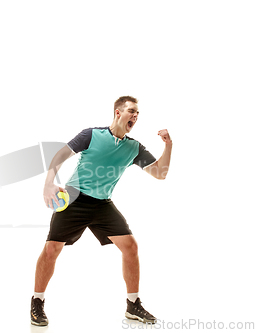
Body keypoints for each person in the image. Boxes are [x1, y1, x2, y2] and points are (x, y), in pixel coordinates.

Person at [30, 96, 173, 326]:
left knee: (130, 246)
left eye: (138, 114)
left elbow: (160, 173)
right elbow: (60, 155)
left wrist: (168, 145)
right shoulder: (91, 135)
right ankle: (37, 301)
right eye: (131, 111)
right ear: (118, 113)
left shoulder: (133, 147)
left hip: (102, 203)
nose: (135, 116)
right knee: (51, 250)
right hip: (74, 198)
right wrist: (48, 183)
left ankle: (133, 304)